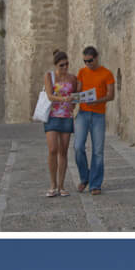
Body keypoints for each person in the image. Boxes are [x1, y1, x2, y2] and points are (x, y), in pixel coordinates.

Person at [75, 46, 115, 194]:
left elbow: (111, 95)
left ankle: (95, 184)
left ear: (96, 58)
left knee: (97, 151)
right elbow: (78, 90)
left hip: (98, 115)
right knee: (78, 147)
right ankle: (85, 177)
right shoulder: (82, 72)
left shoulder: (107, 74)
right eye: (85, 61)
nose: (88, 64)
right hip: (83, 114)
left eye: (90, 61)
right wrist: (77, 96)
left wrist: (98, 100)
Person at [43, 49, 78, 197]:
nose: (65, 67)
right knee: (52, 149)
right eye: (62, 65)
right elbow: (50, 96)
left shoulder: (72, 78)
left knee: (63, 151)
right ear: (56, 65)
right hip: (52, 116)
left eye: (67, 64)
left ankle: (62, 186)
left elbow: (75, 96)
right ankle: (52, 185)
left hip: (66, 116)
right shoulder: (49, 76)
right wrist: (63, 99)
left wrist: (73, 103)